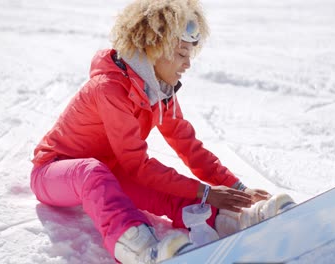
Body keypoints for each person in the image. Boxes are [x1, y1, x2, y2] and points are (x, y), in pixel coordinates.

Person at [30, 0, 294, 263]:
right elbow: (137, 164)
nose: (187, 64)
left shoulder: (159, 92)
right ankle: (141, 251)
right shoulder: (109, 88)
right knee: (93, 172)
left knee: (171, 192)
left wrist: (238, 190)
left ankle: (235, 218)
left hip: (111, 168)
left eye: (190, 55)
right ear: (154, 49)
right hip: (55, 172)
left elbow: (190, 148)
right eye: (181, 54)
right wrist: (205, 191)